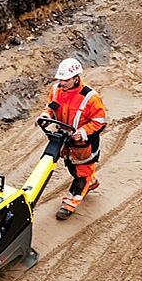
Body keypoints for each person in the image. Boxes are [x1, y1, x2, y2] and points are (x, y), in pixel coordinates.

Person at [42, 57, 107, 220]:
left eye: (65, 80)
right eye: (60, 79)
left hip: (84, 145)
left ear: (75, 78)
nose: (61, 83)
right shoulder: (56, 90)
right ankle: (90, 182)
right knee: (72, 168)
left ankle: (69, 204)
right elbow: (51, 107)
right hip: (65, 142)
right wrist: (45, 115)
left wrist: (83, 132)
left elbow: (100, 121)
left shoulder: (90, 97)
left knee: (81, 175)